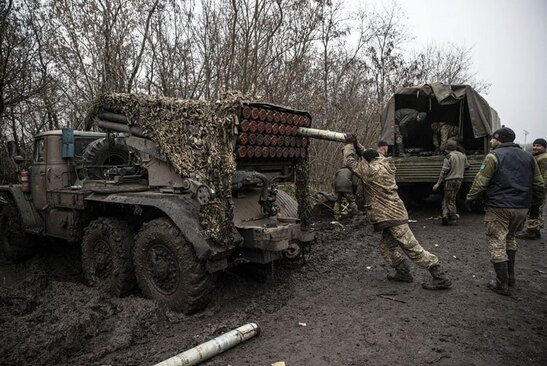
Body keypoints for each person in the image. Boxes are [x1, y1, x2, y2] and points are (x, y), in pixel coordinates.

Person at [343, 136, 451, 290]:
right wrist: (356, 144)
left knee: (412, 248)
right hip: (391, 215)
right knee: (387, 248)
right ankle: (403, 272)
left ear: (367, 161)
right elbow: (369, 154)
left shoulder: (371, 172)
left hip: (391, 216)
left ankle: (439, 276)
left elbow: (349, 162)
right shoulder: (385, 163)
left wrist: (348, 145)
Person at [465, 127, 545, 296]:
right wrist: (534, 206)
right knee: (510, 238)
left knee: (496, 242)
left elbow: (480, 182)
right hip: (521, 207)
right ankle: (511, 278)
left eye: (493, 138)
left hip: (499, 206)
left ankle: (502, 284)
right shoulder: (529, 157)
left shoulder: (494, 156)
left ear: (498, 139)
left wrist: (470, 199)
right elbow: (538, 185)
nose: (491, 141)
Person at [433, 140, 469, 225]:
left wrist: (437, 183)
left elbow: (444, 172)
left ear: (447, 148)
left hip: (450, 180)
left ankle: (453, 218)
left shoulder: (448, 157)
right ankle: (445, 215)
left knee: (450, 200)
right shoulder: (463, 156)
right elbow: (467, 166)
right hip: (459, 180)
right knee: (448, 198)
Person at [516, 138, 547, 239]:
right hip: (537, 187)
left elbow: (544, 176)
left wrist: (540, 188)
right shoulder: (537, 157)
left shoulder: (544, 158)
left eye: (538, 146)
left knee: (535, 209)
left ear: (544, 147)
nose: (535, 147)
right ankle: (535, 229)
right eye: (534, 145)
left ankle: (532, 231)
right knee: (535, 209)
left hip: (539, 188)